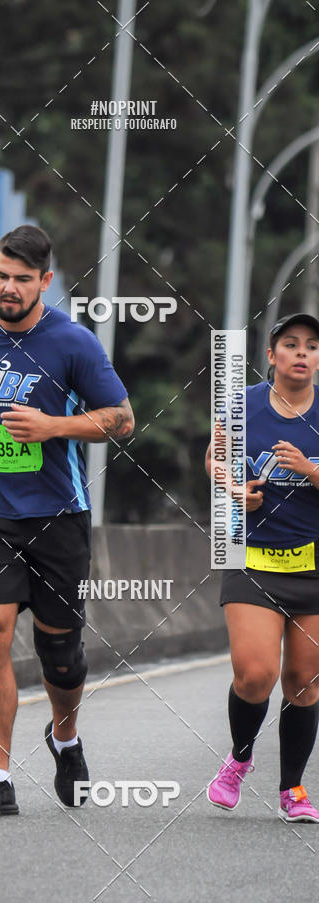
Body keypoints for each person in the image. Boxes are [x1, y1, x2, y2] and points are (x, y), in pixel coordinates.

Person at [0, 224, 134, 817]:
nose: (9, 288)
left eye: (22, 279)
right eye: (1, 275)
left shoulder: (72, 343)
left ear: (45, 281)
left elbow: (122, 419)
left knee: (60, 655)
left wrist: (53, 427)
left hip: (60, 515)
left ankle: (64, 738)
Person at [206, 313, 319, 822]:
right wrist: (233, 488)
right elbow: (216, 457)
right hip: (251, 559)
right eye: (291, 344)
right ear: (271, 355)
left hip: (313, 565)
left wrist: (310, 470)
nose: (302, 354)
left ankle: (292, 789)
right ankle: (240, 758)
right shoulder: (243, 405)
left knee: (303, 681)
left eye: (312, 346)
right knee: (255, 674)